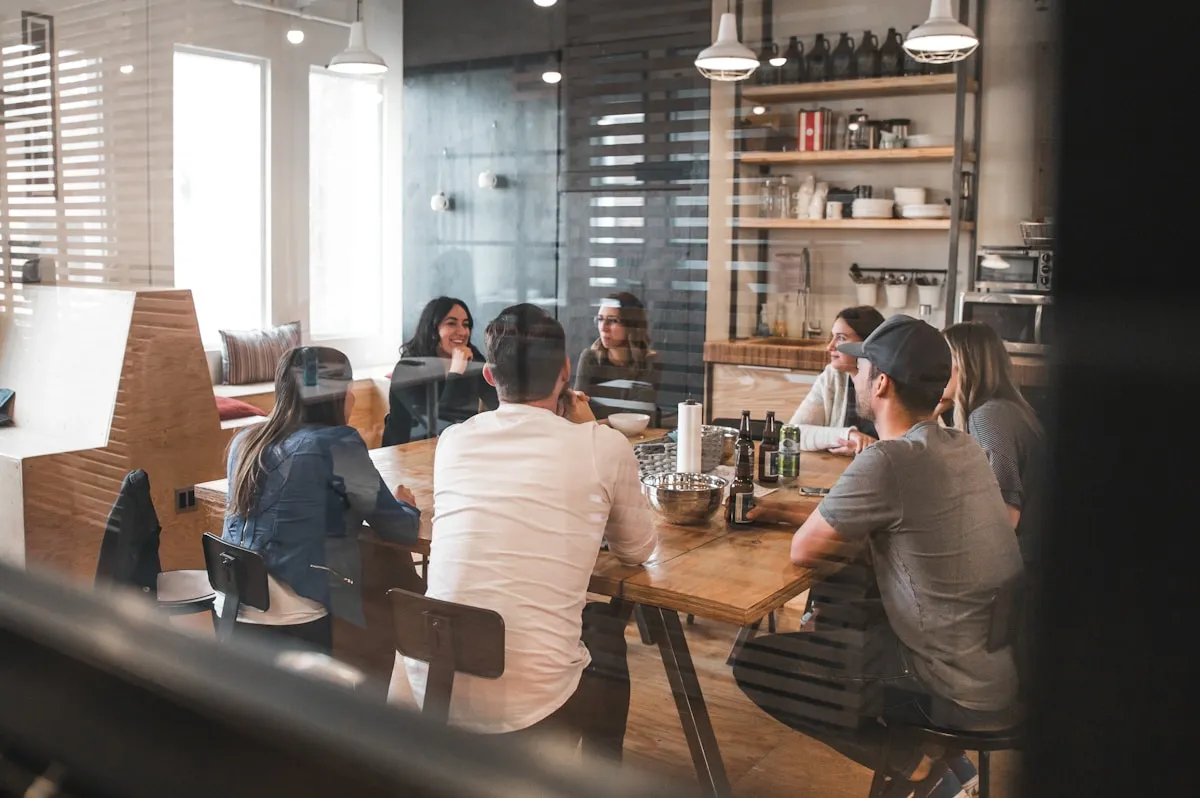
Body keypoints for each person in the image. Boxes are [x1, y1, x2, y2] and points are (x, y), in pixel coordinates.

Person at [735, 315, 1024, 798]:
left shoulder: (889, 460)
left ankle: (915, 762)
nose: (858, 374)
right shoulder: (961, 445)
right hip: (996, 667)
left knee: (757, 663)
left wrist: (778, 516)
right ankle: (940, 767)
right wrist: (779, 508)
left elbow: (805, 549)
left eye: (865, 366)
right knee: (851, 606)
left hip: (945, 684)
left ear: (882, 382)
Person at [390, 303, 657, 758]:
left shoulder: (454, 441)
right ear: (566, 372)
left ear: (490, 376)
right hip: (531, 702)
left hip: (433, 681)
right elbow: (637, 549)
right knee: (605, 635)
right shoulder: (602, 445)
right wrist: (590, 430)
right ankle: (600, 775)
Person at [222, 346, 422, 654]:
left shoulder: (244, 442)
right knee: (387, 577)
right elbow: (400, 529)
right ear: (336, 394)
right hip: (295, 619)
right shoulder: (337, 444)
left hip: (235, 610)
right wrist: (406, 504)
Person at [940, 321, 1047, 569]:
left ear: (962, 364)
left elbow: (1004, 517)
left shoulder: (989, 417)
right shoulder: (1004, 408)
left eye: (942, 360)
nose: (934, 370)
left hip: (1023, 564)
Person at [382, 296, 499, 446]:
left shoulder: (472, 358)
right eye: (451, 324)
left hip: (456, 448)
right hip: (406, 453)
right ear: (432, 330)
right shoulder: (408, 369)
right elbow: (440, 426)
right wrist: (456, 372)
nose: (462, 332)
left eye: (466, 324)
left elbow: (498, 402)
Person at [787, 306, 885, 456]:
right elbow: (792, 433)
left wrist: (868, 448)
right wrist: (850, 435)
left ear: (867, 344)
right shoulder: (832, 376)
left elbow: (906, 446)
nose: (830, 346)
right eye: (832, 336)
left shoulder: (890, 381)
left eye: (841, 338)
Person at [574, 292, 662, 420]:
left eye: (612, 321)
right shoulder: (590, 358)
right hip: (595, 436)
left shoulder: (650, 361)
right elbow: (578, 410)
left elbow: (637, 418)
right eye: (600, 319)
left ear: (631, 326)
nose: (603, 328)